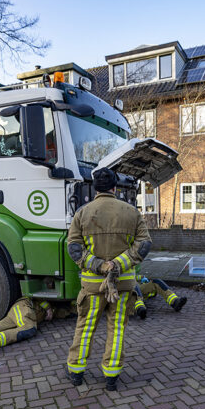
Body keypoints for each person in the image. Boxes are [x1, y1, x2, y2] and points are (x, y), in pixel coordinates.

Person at [65, 167, 151, 391]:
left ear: (95, 188)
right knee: (117, 327)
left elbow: (74, 248)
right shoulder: (131, 212)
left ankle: (76, 372)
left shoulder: (82, 213)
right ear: (115, 187)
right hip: (122, 286)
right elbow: (144, 244)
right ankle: (111, 375)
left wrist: (99, 266)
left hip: (93, 286)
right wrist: (118, 265)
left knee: (85, 327)